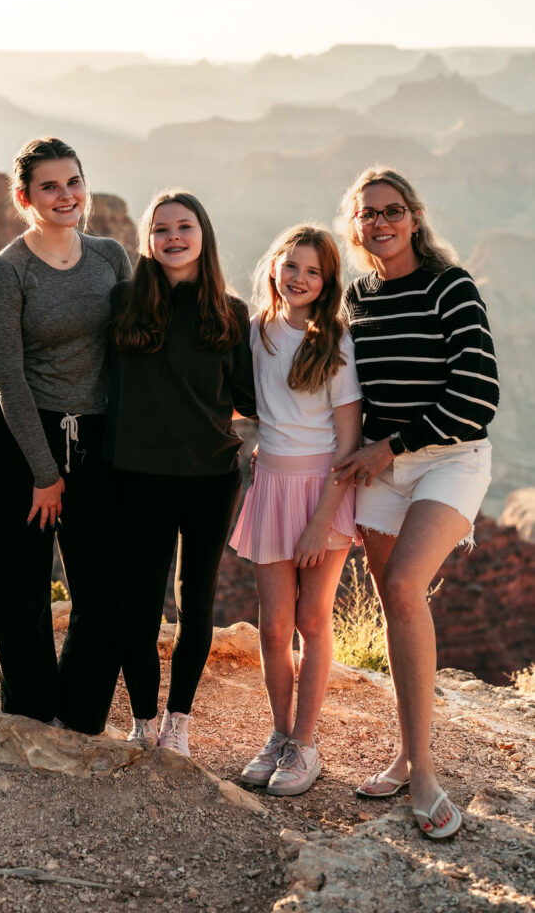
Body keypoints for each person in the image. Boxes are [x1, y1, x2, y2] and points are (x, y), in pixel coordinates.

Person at [332, 167, 498, 839]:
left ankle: (424, 771)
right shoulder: (356, 297)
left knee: (403, 584)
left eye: (391, 210)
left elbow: (477, 394)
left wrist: (388, 448)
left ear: (413, 217)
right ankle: (405, 753)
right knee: (394, 601)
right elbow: (341, 388)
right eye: (367, 213)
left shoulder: (449, 287)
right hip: (381, 465)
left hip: (448, 460)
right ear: (355, 225)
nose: (380, 222)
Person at [0, 136, 131, 733]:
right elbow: (9, 379)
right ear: (25, 197)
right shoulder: (8, 272)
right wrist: (45, 474)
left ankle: (81, 713)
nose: (66, 195)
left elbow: (135, 344)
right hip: (22, 437)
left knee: (102, 585)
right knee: (23, 585)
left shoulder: (110, 256)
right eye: (50, 186)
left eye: (73, 182)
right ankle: (30, 714)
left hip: (92, 437)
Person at [106, 189, 256, 756]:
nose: (173, 236)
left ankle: (179, 722)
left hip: (210, 478)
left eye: (184, 226)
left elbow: (248, 397)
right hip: (135, 475)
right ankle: (143, 719)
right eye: (161, 227)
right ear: (148, 239)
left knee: (196, 603)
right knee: (138, 604)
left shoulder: (230, 312)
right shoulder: (122, 301)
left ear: (203, 234)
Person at [229, 226, 362, 795]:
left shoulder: (334, 340)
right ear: (275, 267)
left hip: (321, 491)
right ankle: (280, 735)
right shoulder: (257, 332)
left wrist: (319, 522)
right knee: (274, 625)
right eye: (291, 267)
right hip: (271, 486)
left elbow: (348, 441)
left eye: (312, 271)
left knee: (312, 619)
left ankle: (306, 746)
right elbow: (249, 404)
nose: (299, 279)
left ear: (326, 281)